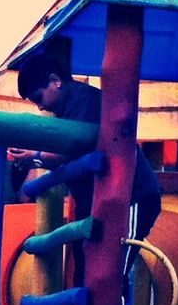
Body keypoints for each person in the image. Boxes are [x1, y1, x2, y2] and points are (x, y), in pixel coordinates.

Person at [8, 53, 162, 276]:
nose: (40, 107)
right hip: (95, 204)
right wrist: (35, 157)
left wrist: (36, 156)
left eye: (39, 98)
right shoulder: (66, 113)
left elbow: (76, 150)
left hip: (131, 197)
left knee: (111, 275)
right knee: (85, 276)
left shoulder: (87, 102)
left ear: (55, 81)